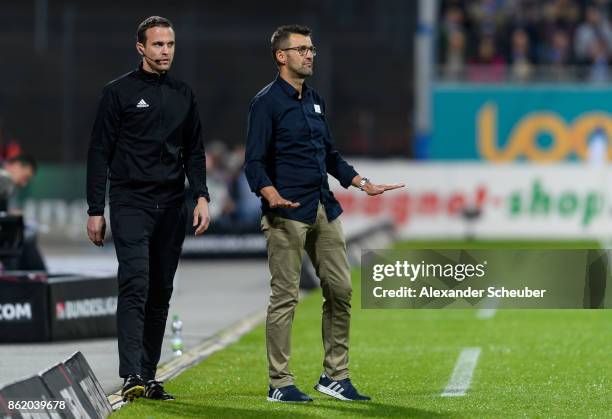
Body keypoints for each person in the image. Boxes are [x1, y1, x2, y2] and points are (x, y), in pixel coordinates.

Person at [245, 24, 403, 403]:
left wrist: (362, 182)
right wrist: (269, 193)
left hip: (323, 207)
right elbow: (253, 162)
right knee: (285, 297)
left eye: (311, 48)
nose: (310, 54)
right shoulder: (266, 102)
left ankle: (335, 377)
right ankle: (279, 383)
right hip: (286, 213)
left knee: (341, 289)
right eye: (301, 49)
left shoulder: (315, 99)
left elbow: (330, 154)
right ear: (281, 57)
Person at [86, 16, 210, 402]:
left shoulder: (183, 94)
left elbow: (195, 151)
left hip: (172, 204)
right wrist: (95, 208)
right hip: (130, 201)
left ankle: (149, 375)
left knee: (161, 291)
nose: (165, 51)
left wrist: (202, 196)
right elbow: (99, 152)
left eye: (170, 45)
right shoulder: (118, 93)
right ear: (140, 48)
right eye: (157, 45)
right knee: (135, 283)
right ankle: (131, 374)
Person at [0, 154, 45, 270]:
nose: (23, 184)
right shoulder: (4, 179)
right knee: (22, 239)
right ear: (16, 166)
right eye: (25, 177)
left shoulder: (6, 186)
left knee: (23, 236)